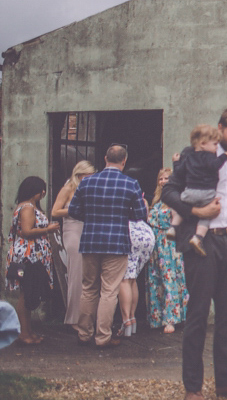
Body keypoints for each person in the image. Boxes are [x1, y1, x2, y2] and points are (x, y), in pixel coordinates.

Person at [162, 107, 227, 400]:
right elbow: (168, 191)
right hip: (202, 244)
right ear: (220, 129)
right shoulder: (193, 153)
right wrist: (197, 212)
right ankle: (193, 387)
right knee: (198, 314)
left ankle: (226, 382)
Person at [68, 145, 148, 348]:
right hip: (116, 242)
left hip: (91, 241)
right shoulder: (130, 184)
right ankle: (102, 336)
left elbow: (74, 211)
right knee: (109, 291)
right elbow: (140, 215)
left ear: (105, 158)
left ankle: (84, 333)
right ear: (124, 161)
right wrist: (122, 216)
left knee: (88, 289)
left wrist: (93, 218)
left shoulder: (87, 183)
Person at [6, 176, 60, 345]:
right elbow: (27, 231)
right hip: (28, 257)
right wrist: (48, 229)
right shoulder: (28, 208)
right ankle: (23, 333)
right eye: (41, 190)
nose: (43, 193)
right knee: (25, 293)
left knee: (28, 292)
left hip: (30, 255)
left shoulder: (27, 206)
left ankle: (28, 330)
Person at [166, 124, 227, 256]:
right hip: (207, 194)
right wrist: (224, 156)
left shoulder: (189, 157)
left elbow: (179, 171)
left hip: (189, 192)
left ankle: (173, 227)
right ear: (202, 143)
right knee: (209, 213)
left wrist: (176, 162)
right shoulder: (209, 156)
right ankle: (198, 237)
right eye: (215, 144)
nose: (217, 147)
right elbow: (214, 166)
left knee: (181, 206)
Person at [49, 160, 95, 326]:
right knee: (76, 274)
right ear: (78, 175)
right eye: (86, 177)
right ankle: (74, 318)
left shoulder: (89, 188)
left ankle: (88, 316)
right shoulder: (68, 188)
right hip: (73, 231)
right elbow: (55, 211)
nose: (89, 179)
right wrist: (75, 209)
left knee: (89, 276)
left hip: (88, 230)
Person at [146, 168, 187, 334]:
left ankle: (172, 319)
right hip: (155, 246)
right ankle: (157, 318)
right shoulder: (157, 200)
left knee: (170, 279)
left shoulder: (177, 198)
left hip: (170, 244)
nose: (163, 181)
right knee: (155, 280)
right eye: (161, 179)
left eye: (166, 179)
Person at [118, 199, 156, 338]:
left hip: (130, 232)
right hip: (146, 231)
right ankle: (132, 319)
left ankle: (126, 320)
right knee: (132, 279)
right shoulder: (140, 198)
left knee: (124, 279)